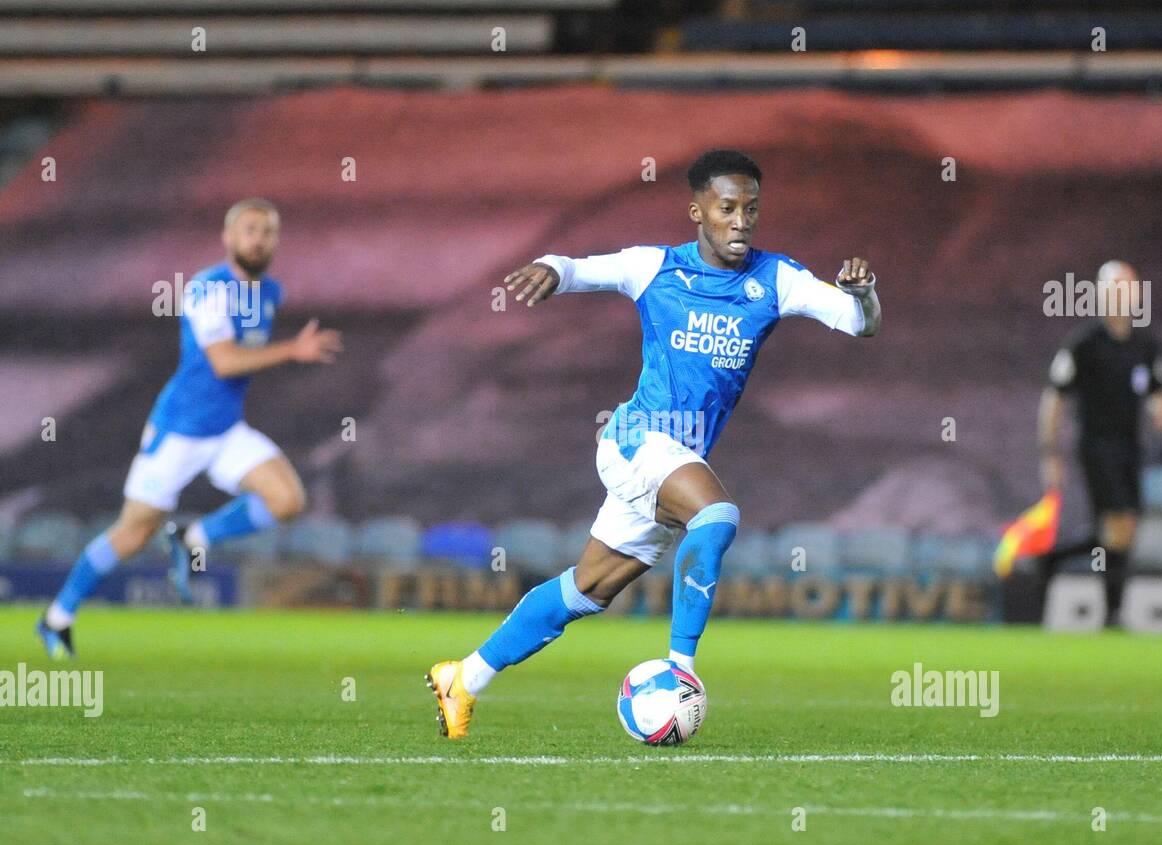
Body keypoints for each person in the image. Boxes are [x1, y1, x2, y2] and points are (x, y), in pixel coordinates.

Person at [426, 149, 881, 738]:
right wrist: (551, 268)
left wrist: (864, 293)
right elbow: (584, 267)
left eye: (752, 208)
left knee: (586, 590)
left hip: (678, 460)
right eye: (727, 208)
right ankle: (680, 671)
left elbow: (859, 323)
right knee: (716, 515)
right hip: (636, 441)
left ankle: (462, 678)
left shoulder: (776, 280)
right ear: (697, 212)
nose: (741, 220)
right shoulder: (655, 267)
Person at [35, 198, 342, 657]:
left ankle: (194, 537)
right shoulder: (206, 288)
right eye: (250, 229)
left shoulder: (269, 292)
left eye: (268, 231)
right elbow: (223, 362)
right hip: (178, 431)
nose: (259, 239)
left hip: (224, 431)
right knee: (134, 533)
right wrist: (291, 351)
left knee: (288, 499)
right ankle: (57, 617)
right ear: (228, 238)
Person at [1038, 259, 1162, 623]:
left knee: (1124, 530)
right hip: (1096, 446)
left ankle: (1054, 559)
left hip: (1130, 447)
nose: (1121, 294)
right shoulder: (1085, 344)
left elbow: (1158, 390)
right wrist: (1050, 452)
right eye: (1114, 286)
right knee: (1118, 524)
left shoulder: (1145, 345)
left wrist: (1161, 412)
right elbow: (1055, 397)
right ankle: (1113, 611)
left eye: (1128, 286)